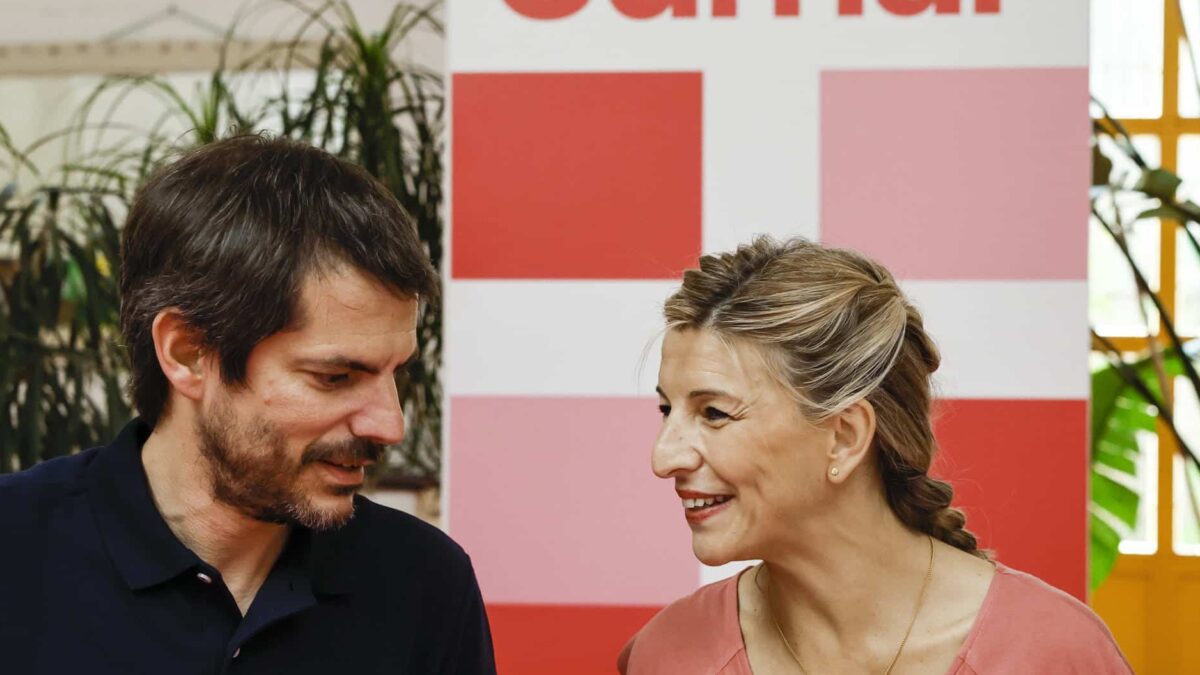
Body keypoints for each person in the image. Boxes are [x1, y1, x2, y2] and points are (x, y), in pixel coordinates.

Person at [0, 135, 496, 674]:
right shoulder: (15, 552)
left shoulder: (424, 582)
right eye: (334, 376)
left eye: (395, 372)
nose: (390, 424)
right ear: (187, 353)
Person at [619, 237, 1130, 674]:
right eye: (668, 409)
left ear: (844, 436)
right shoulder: (669, 655)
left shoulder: (1050, 654)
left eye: (713, 413)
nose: (663, 458)